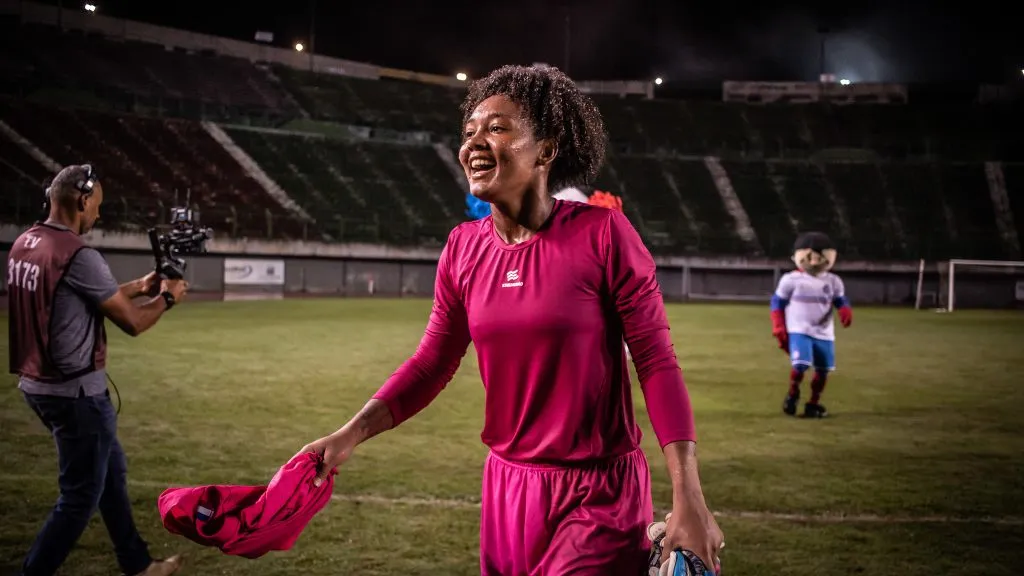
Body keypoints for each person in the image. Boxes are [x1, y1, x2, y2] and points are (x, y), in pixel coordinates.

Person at [300, 65, 724, 575]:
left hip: (597, 493)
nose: (474, 143)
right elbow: (431, 363)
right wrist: (348, 434)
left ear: (546, 151)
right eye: (469, 131)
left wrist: (689, 496)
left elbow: (656, 363)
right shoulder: (462, 248)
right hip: (506, 489)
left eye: (497, 128)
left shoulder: (604, 234)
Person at [7, 164, 188, 576]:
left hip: (37, 383)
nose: (99, 214)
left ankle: (137, 565)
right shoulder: (79, 254)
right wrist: (167, 298)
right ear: (82, 199)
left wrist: (138, 287)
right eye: (97, 205)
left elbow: (75, 298)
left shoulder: (27, 242)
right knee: (79, 499)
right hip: (76, 394)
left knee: (111, 473)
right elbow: (133, 323)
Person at [770, 231, 853, 418]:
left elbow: (839, 299)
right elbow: (777, 303)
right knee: (800, 365)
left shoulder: (833, 281)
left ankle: (813, 404)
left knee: (823, 371)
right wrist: (778, 325)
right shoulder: (791, 279)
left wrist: (844, 309)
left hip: (824, 332)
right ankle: (793, 393)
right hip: (799, 329)